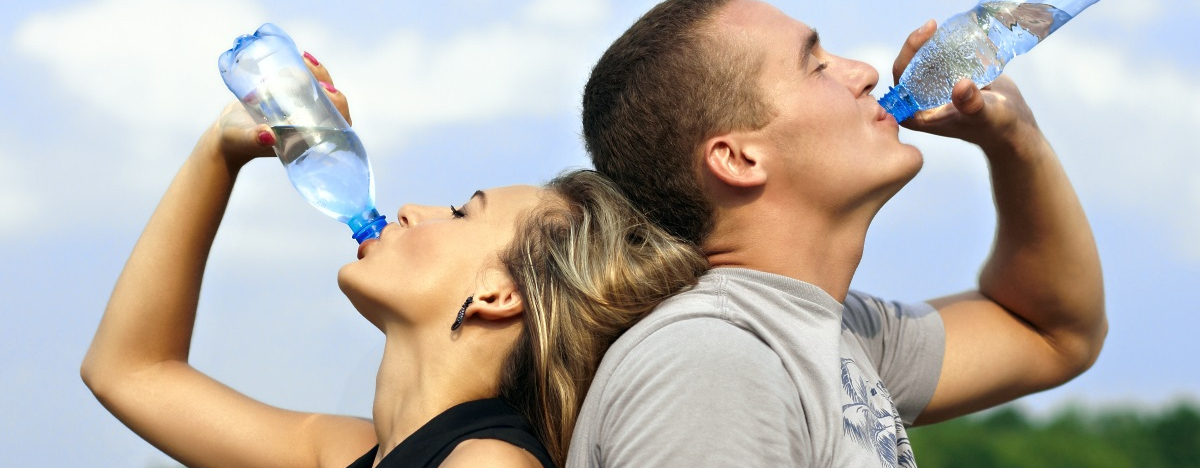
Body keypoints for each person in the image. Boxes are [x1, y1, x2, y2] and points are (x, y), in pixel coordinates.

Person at [80, 54, 707, 468]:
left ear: (498, 294)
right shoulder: (352, 452)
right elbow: (129, 370)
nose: (412, 208)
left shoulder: (488, 463)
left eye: (463, 212)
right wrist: (220, 151)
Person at [568, 0, 1108, 467]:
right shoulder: (711, 363)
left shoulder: (825, 331)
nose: (866, 72)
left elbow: (1055, 334)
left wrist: (1015, 138)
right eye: (816, 65)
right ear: (738, 159)